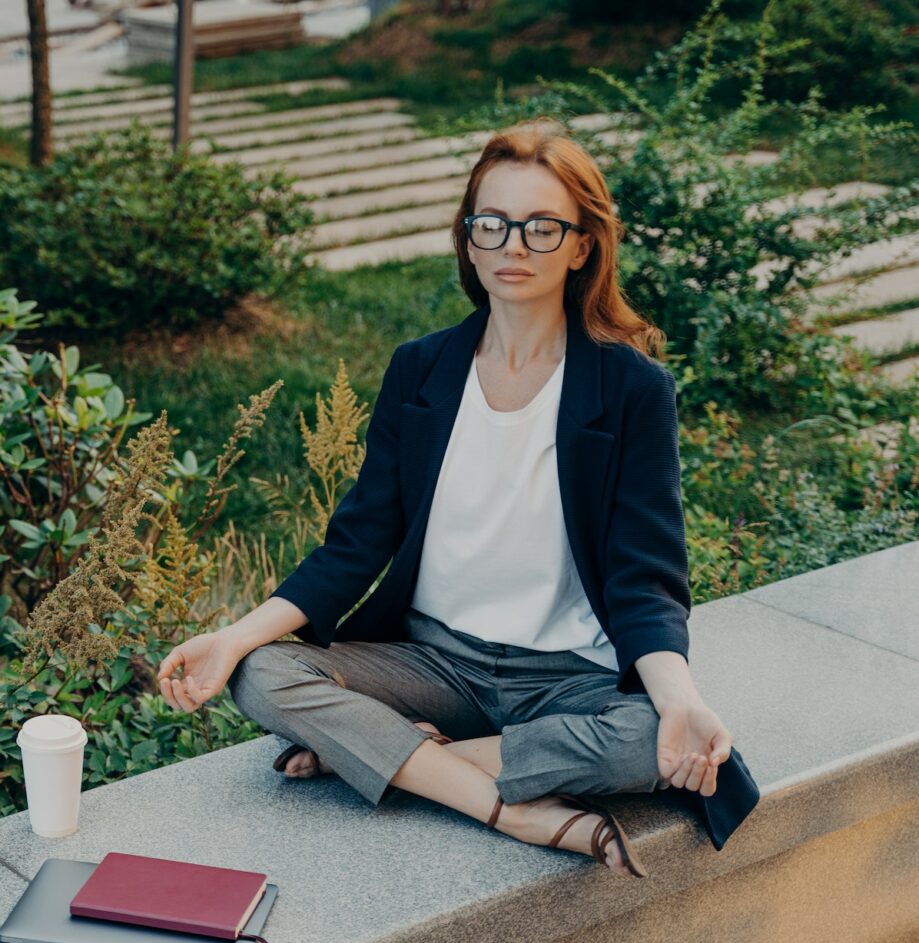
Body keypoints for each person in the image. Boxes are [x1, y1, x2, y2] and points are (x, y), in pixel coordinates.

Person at [158, 117, 742, 878]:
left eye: (541, 227)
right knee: (261, 673)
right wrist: (234, 637)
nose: (513, 246)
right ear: (468, 240)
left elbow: (645, 576)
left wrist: (679, 698)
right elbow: (357, 544)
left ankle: (390, 758)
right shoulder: (422, 370)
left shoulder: (630, 388)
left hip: (567, 675)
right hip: (433, 663)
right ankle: (502, 805)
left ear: (581, 246)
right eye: (492, 223)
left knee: (645, 741)